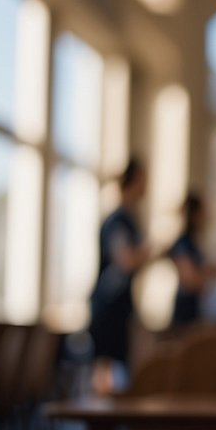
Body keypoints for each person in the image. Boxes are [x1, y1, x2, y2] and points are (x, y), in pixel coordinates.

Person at [88, 157, 151, 394]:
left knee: (115, 367)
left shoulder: (126, 219)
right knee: (105, 369)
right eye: (144, 180)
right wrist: (150, 252)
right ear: (133, 180)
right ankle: (101, 426)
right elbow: (126, 260)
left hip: (118, 306)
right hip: (108, 308)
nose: (147, 186)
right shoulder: (118, 221)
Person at [167, 190, 216, 329]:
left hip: (194, 310)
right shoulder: (184, 244)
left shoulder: (193, 243)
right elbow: (190, 279)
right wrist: (207, 272)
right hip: (185, 314)